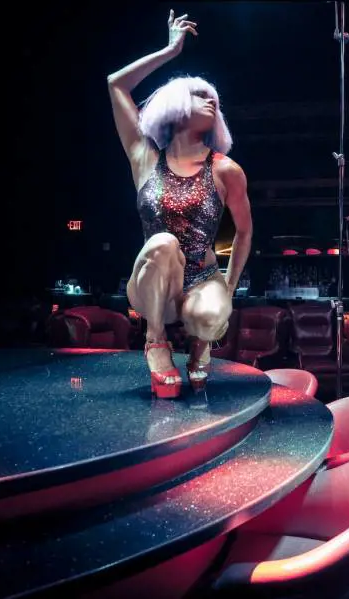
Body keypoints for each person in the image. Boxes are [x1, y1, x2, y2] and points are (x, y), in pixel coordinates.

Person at [107, 10, 252, 398]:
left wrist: (228, 288)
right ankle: (155, 340)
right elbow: (115, 83)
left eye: (213, 99)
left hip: (203, 281)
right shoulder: (144, 158)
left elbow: (244, 232)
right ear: (174, 104)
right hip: (155, 283)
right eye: (200, 95)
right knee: (163, 242)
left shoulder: (225, 169)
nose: (211, 102)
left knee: (211, 314)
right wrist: (169, 51)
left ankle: (202, 342)